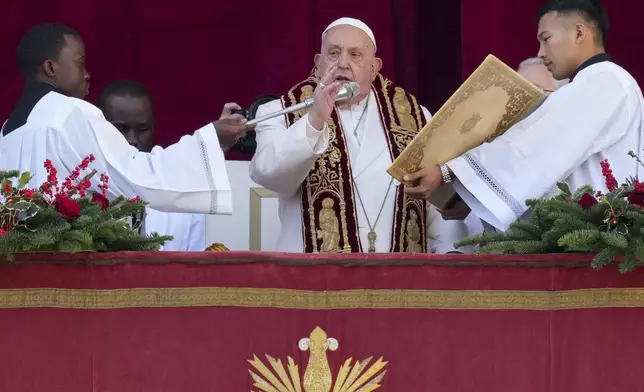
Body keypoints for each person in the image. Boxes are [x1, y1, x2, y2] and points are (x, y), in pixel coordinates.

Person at [404, 0, 644, 232]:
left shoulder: (603, 81)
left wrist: (449, 171)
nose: (541, 52)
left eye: (546, 39)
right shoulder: (601, 82)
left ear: (579, 33)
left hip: (590, 246)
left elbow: (533, 147)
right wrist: (470, 197)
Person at [249, 17, 482, 253]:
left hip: (399, 280)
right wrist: (315, 121)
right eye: (333, 53)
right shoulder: (279, 112)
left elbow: (434, 202)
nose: (342, 63)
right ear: (318, 63)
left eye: (355, 54)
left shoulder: (416, 117)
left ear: (374, 68)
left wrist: (453, 253)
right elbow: (271, 176)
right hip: (316, 282)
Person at [0, 23, 250, 217]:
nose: (87, 75)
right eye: (80, 64)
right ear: (50, 68)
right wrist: (211, 138)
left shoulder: (8, 130)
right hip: (66, 269)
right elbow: (135, 179)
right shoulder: (70, 112)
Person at [98, 79, 207, 251]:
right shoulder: (79, 186)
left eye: (142, 130)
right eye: (121, 129)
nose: (132, 140)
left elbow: (194, 266)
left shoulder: (184, 189)